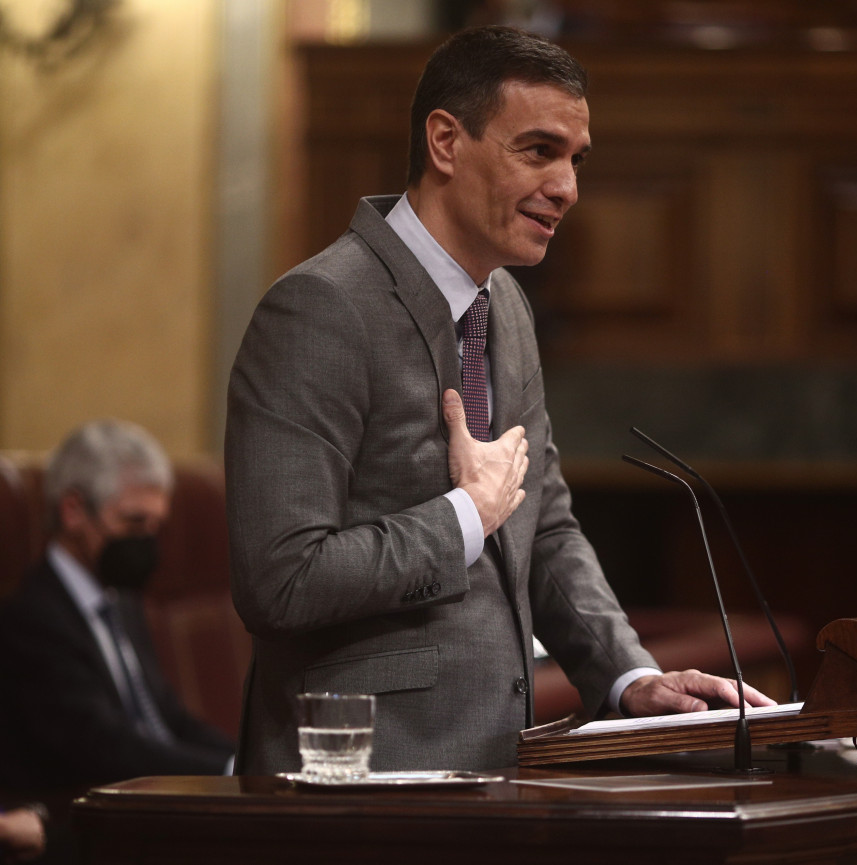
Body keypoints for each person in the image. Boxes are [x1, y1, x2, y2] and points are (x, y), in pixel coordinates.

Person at [225, 24, 774, 775]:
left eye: (576, 160)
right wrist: (462, 518)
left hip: (494, 774)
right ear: (447, 142)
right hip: (356, 788)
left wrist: (630, 676)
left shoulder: (504, 305)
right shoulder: (320, 309)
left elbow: (542, 525)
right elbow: (279, 579)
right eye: (539, 151)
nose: (569, 188)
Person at [0, 420, 234, 791]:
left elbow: (167, 717)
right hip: (88, 815)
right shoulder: (32, 618)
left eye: (156, 526)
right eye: (134, 521)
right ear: (73, 510)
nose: (146, 542)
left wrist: (248, 761)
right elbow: (102, 745)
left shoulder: (122, 600)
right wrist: (223, 769)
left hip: (155, 797)